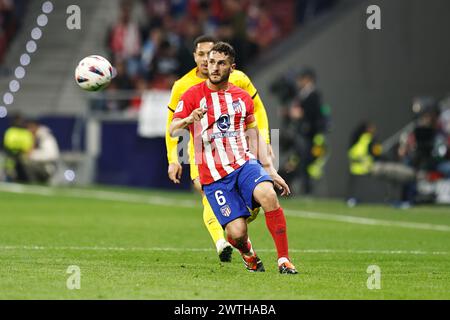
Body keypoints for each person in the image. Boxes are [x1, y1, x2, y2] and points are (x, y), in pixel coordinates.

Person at [169, 42, 298, 274]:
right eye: (211, 62)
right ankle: (248, 252)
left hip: (243, 164)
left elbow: (253, 135)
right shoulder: (191, 95)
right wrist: (188, 120)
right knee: (236, 234)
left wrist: (270, 170)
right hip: (214, 177)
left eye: (221, 63)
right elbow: (173, 127)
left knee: (269, 195)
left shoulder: (242, 98)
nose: (215, 68)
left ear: (232, 68)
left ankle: (284, 260)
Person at [2, 114, 34, 182]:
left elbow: (29, 147)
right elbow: (7, 144)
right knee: (9, 166)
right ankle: (9, 178)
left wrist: (22, 153)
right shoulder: (10, 131)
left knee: (25, 168)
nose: (18, 122)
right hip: (11, 156)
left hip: (23, 157)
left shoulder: (26, 132)